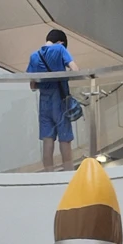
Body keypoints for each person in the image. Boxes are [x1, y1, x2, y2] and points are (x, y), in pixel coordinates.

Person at [26, 27, 76, 171]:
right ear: (61, 42)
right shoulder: (60, 49)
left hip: (44, 102)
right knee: (65, 140)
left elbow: (32, 85)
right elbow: (75, 69)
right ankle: (68, 174)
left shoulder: (34, 56)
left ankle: (49, 175)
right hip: (60, 101)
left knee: (47, 141)